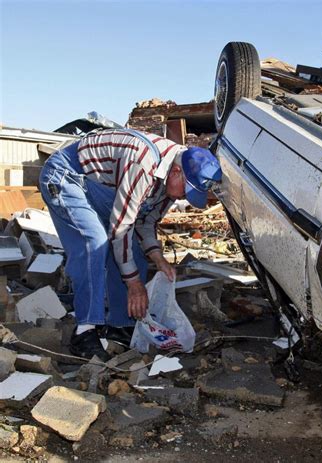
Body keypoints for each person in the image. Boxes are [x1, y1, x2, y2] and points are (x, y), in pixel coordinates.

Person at [39, 128, 222, 361]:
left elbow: (145, 223)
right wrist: (134, 283)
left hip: (94, 184)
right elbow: (121, 227)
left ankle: (119, 324)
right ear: (177, 171)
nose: (184, 198)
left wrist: (158, 258)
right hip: (66, 175)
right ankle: (84, 331)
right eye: (186, 191)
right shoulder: (143, 164)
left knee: (132, 251)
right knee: (94, 242)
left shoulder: (171, 179)